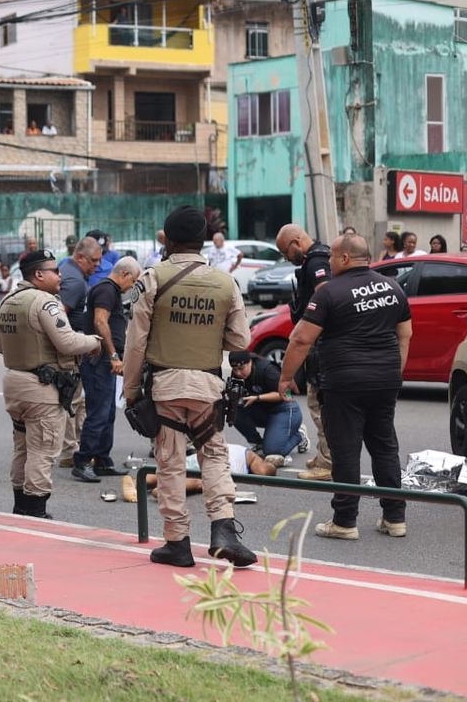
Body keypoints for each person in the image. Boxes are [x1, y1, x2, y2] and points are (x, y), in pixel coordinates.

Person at [123, 205, 255, 568]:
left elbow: (135, 343)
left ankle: (177, 542)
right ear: (202, 240)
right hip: (209, 386)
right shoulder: (225, 281)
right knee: (214, 457)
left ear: (167, 238)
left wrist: (131, 391)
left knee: (170, 464)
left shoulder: (150, 278)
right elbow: (240, 338)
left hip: (165, 385)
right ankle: (224, 530)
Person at [277, 234, 412, 541]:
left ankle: (345, 521)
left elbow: (300, 339)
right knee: (384, 447)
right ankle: (395, 518)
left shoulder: (328, 293)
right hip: (385, 379)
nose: (329, 263)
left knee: (346, 450)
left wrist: (286, 377)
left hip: (344, 382)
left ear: (345, 258)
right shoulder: (393, 287)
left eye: (333, 258)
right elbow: (405, 335)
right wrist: (395, 371)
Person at [0, 249, 103, 519]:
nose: (61, 275)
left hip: (14, 382)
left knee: (22, 448)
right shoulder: (45, 302)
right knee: (42, 452)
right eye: (55, 270)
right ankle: (35, 511)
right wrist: (93, 341)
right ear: (39, 274)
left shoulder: (8, 300)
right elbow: (67, 342)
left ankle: (19, 507)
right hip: (41, 388)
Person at [275, 223, 333, 481]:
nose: (286, 258)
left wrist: (308, 332)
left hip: (319, 345)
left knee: (319, 407)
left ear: (296, 241)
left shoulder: (316, 261)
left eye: (285, 252)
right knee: (318, 405)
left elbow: (324, 297)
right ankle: (324, 455)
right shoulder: (318, 257)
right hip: (319, 344)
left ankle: (328, 463)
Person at [74, 257, 139, 482]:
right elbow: (101, 322)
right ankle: (82, 461)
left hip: (103, 360)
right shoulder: (107, 290)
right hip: (99, 360)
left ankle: (102, 459)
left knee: (108, 412)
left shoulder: (107, 290)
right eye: (134, 281)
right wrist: (112, 355)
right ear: (125, 275)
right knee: (99, 412)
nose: (132, 286)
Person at [56, 237, 102, 471]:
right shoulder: (74, 281)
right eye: (93, 260)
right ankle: (69, 451)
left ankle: (77, 446)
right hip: (70, 350)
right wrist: (71, 343)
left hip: (73, 348)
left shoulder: (68, 271)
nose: (97, 265)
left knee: (77, 401)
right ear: (80, 257)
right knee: (73, 401)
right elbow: (58, 317)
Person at [122, 443, 277, 502]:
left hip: (200, 456)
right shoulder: (248, 455)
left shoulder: (239, 453)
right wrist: (270, 467)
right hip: (213, 465)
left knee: (174, 468)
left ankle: (136, 482)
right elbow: (263, 471)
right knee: (199, 482)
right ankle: (169, 489)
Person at [228, 351, 305, 467]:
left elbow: (287, 395)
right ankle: (258, 444)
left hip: (285, 409)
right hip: (264, 410)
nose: (238, 373)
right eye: (235, 370)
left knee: (273, 453)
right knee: (234, 411)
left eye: (241, 368)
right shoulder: (237, 376)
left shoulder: (266, 370)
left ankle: (299, 435)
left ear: (250, 362)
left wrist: (258, 398)